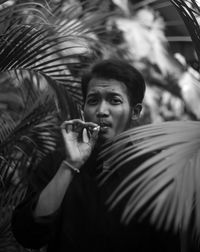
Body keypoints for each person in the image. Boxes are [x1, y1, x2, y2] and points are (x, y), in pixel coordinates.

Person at [11, 58, 180, 252]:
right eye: (93, 101)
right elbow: (28, 235)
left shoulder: (156, 173)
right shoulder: (56, 164)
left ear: (135, 111)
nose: (101, 111)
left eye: (114, 100)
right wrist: (70, 165)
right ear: (83, 109)